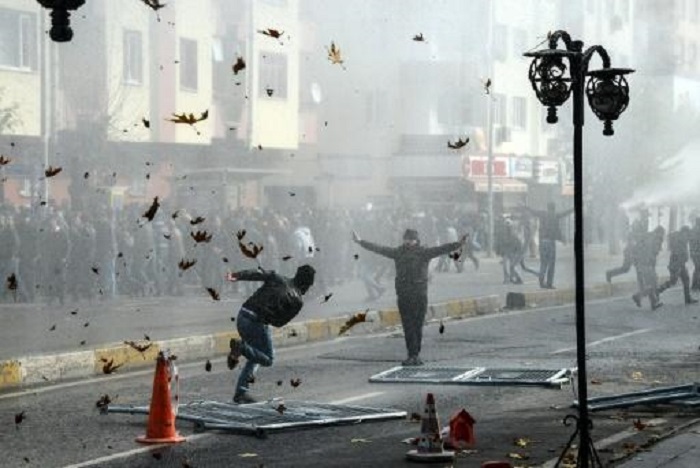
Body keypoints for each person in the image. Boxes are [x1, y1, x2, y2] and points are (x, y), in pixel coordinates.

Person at [352, 228, 467, 366]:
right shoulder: (398, 253)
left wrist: (458, 244)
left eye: (411, 240)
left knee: (417, 326)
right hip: (404, 295)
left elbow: (441, 249)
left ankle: (415, 355)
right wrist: (360, 242)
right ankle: (412, 355)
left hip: (419, 295)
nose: (408, 242)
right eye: (406, 239)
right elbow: (379, 249)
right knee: (408, 326)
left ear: (416, 241)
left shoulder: (424, 253)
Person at [226, 264, 316, 404]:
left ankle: (241, 392)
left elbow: (258, 273)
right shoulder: (297, 300)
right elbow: (279, 323)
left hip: (242, 315)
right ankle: (241, 348)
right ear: (307, 284)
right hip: (256, 323)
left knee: (255, 354)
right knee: (268, 358)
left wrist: (237, 275)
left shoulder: (278, 278)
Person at [521, 202, 574, 289]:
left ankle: (541, 282)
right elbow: (565, 213)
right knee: (551, 264)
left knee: (543, 263)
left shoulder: (542, 214)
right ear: (554, 208)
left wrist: (524, 206)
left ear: (547, 207)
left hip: (542, 242)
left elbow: (532, 211)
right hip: (550, 242)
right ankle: (549, 283)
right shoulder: (555, 215)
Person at [657, 226, 698, 305]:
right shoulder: (679, 240)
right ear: (684, 232)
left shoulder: (681, 239)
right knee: (673, 281)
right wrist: (679, 263)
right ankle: (658, 290)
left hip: (680, 264)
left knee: (686, 280)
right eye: (687, 233)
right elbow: (678, 253)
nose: (688, 236)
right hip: (677, 264)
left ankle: (688, 298)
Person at [606, 209, 649, 284]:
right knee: (629, 269)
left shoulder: (642, 224)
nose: (647, 218)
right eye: (646, 216)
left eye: (647, 216)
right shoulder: (637, 224)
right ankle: (609, 273)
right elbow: (634, 237)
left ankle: (642, 288)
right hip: (631, 250)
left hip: (635, 250)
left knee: (634, 269)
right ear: (642, 216)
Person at [632, 226, 665, 310]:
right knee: (652, 284)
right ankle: (638, 296)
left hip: (639, 263)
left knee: (649, 284)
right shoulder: (656, 239)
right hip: (647, 264)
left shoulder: (647, 236)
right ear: (659, 232)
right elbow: (654, 253)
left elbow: (637, 248)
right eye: (662, 234)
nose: (662, 236)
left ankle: (653, 303)